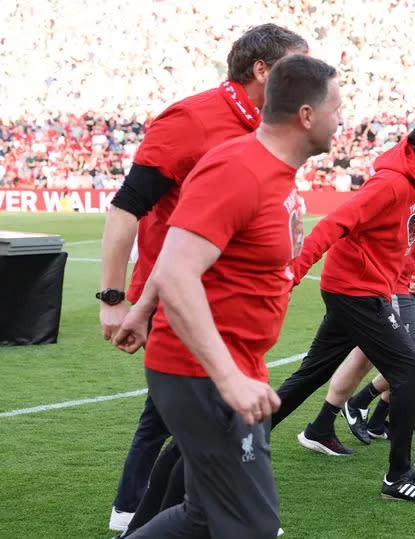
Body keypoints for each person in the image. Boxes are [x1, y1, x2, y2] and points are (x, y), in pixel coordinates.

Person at [112, 54, 341, 538]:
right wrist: (227, 379)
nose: (341, 120)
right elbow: (178, 270)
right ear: (306, 115)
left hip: (231, 366)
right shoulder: (241, 169)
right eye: (336, 108)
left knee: (203, 514)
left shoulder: (269, 167)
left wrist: (144, 307)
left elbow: (180, 246)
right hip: (203, 373)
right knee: (253, 527)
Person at [272, 114, 415, 502]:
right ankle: (398, 476)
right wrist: (294, 274)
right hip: (356, 291)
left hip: (363, 290)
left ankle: (243, 441)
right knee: (410, 367)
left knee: (310, 375)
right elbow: (332, 225)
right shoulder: (389, 184)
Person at [301, 174, 415, 470]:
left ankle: (334, 420)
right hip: (394, 284)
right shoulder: (396, 183)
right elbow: (342, 223)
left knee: (369, 357)